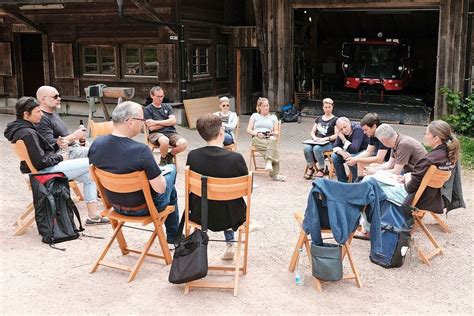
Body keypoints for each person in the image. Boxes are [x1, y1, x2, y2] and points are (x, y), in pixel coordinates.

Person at [4, 97, 108, 225]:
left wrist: (57, 145)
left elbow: (39, 153)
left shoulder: (20, 128)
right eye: (37, 112)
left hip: (39, 171)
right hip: (44, 173)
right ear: (26, 114)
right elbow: (40, 162)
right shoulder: (27, 132)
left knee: (88, 175)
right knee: (92, 162)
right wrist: (61, 157)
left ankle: (93, 216)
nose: (41, 114)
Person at [88, 101, 179, 243]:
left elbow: (92, 178)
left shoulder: (97, 143)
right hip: (141, 207)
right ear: (129, 121)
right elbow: (160, 189)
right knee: (171, 173)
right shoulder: (141, 151)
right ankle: (174, 238)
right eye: (141, 120)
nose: (143, 124)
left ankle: (174, 238)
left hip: (114, 205)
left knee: (167, 182)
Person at [186, 114, 248, 260]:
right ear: (221, 132)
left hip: (199, 215)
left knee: (203, 196)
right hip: (232, 217)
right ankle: (230, 244)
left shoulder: (193, 156)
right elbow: (247, 190)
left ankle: (198, 249)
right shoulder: (236, 158)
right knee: (230, 198)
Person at [375, 120, 459, 213]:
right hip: (434, 197)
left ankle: (377, 222)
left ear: (436, 138)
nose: (425, 137)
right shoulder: (450, 156)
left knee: (375, 187)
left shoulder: (428, 159)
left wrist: (407, 177)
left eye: (426, 134)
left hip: (419, 198)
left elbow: (410, 188)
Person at [35, 85, 89, 159]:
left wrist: (77, 142)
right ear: (44, 99)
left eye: (59, 96)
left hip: (70, 148)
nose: (59, 99)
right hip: (61, 154)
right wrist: (74, 136)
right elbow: (50, 144)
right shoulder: (41, 118)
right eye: (55, 97)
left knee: (99, 147)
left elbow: (62, 136)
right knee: (98, 151)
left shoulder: (54, 114)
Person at [144, 86, 188, 165]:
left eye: (162, 96)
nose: (160, 99)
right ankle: (163, 159)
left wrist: (155, 122)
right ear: (152, 96)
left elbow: (173, 121)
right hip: (155, 134)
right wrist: (167, 123)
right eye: (158, 97)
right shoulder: (147, 109)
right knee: (164, 140)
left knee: (183, 143)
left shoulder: (167, 106)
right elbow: (152, 127)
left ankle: (169, 156)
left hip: (171, 133)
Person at [246, 97, 286, 181]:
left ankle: (268, 162)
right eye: (264, 106)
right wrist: (257, 133)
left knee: (272, 140)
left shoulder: (273, 117)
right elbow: (248, 130)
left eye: (267, 105)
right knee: (273, 149)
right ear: (259, 107)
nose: (266, 107)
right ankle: (275, 174)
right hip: (257, 138)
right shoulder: (255, 116)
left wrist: (271, 133)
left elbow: (276, 132)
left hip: (269, 137)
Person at [346, 113, 390, 181]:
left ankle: (364, 184)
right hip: (381, 159)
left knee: (372, 165)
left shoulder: (382, 134)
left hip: (389, 162)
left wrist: (357, 159)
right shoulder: (372, 134)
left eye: (366, 130)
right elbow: (368, 152)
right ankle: (359, 183)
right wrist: (353, 158)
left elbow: (379, 159)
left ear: (374, 126)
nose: (364, 132)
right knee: (360, 162)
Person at [303, 98, 338, 179]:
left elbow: (336, 135)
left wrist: (325, 139)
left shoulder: (335, 119)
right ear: (323, 107)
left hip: (329, 143)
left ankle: (321, 169)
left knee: (317, 149)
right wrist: (314, 137)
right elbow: (312, 131)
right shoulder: (318, 118)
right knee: (307, 148)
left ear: (332, 107)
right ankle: (310, 167)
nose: (327, 109)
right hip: (317, 141)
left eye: (329, 107)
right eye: (326, 107)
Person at [331, 117, 369, 182]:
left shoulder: (358, 129)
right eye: (341, 129)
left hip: (364, 151)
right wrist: (341, 152)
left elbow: (354, 149)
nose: (344, 130)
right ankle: (342, 182)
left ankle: (355, 182)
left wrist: (344, 139)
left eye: (345, 127)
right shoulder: (341, 132)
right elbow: (335, 146)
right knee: (335, 157)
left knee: (351, 158)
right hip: (351, 152)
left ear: (349, 123)